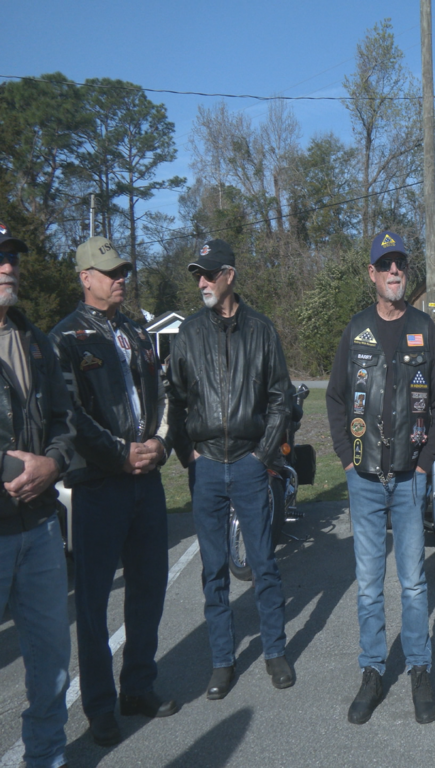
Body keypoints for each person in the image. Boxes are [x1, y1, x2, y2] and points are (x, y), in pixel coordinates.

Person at [51, 237, 179, 748]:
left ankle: (138, 687)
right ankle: (100, 706)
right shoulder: (64, 338)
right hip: (99, 484)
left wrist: (160, 445)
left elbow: (164, 393)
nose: (119, 277)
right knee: (95, 601)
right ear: (85, 277)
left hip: (146, 482)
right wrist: (120, 453)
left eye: (122, 269)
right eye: (108, 271)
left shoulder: (138, 331)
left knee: (149, 588)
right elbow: (70, 415)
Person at [326, 230, 435, 725]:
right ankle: (373, 671)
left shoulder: (425, 328)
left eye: (401, 263)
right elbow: (337, 398)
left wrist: (424, 463)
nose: (395, 271)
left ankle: (419, 669)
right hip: (365, 478)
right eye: (386, 264)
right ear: (372, 275)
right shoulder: (356, 330)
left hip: (409, 477)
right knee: (370, 584)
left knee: (415, 582)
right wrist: (347, 458)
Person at [166, 238, 294, 700]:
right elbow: (175, 401)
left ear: (229, 276)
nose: (201, 281)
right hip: (206, 468)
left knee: (263, 563)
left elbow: (280, 399)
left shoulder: (261, 330)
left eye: (208, 273)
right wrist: (187, 455)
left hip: (247, 463)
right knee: (214, 570)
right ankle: (222, 661)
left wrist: (261, 456)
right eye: (197, 275)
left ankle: (275, 651)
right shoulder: (188, 334)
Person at [0, 224, 76, 768]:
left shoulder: (35, 339)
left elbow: (64, 421)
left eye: (12, 257)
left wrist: (52, 462)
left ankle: (47, 760)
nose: (8, 266)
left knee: (51, 664)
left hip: (42, 527)